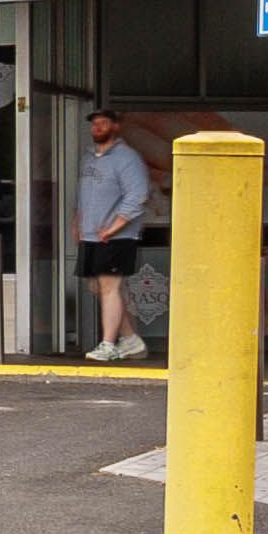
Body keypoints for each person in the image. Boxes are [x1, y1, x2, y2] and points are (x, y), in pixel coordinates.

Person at [78, 106, 155, 359]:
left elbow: (137, 196)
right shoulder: (89, 158)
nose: (97, 127)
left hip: (117, 236)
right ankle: (131, 340)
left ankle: (108, 344)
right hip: (91, 235)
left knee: (109, 287)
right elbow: (85, 195)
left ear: (116, 127)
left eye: (103, 123)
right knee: (99, 287)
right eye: (94, 123)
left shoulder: (127, 158)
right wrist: (78, 223)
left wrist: (114, 227)